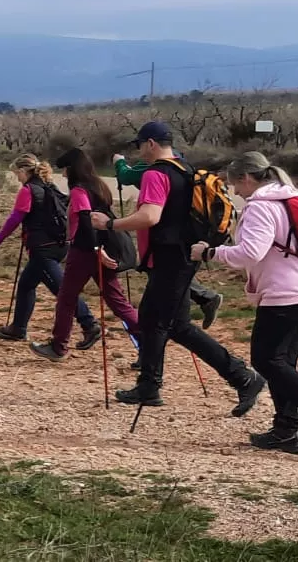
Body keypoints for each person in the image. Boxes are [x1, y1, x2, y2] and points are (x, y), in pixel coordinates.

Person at [91, 122, 265, 413]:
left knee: (169, 324)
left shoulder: (156, 174)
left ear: (150, 143)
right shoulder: (185, 168)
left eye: (140, 145)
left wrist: (109, 224)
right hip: (184, 256)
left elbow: (149, 216)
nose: (139, 151)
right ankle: (150, 385)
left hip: (170, 258)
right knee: (159, 321)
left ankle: (242, 377)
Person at [196, 153, 298, 453]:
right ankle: (285, 430)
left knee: (266, 361)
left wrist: (210, 253)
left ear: (246, 178)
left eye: (234, 185)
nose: (236, 192)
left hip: (285, 295)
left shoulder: (260, 208)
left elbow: (249, 254)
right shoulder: (287, 196)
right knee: (282, 363)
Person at [31, 148, 140, 361]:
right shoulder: (100, 186)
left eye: (64, 170)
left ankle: (58, 346)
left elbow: (86, 222)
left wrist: (95, 251)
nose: (63, 175)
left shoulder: (79, 190)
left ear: (72, 169)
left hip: (84, 251)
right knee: (117, 301)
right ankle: (149, 345)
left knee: (66, 298)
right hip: (102, 249)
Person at [0, 154, 101, 348]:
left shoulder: (28, 190)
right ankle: (18, 328)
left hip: (43, 250)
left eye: (17, 173)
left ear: (24, 171)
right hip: (58, 245)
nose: (16, 177)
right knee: (26, 284)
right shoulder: (49, 187)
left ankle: (89, 324)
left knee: (64, 292)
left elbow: (15, 218)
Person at [116, 151, 225, 330]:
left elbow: (127, 176)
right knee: (165, 317)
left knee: (166, 321)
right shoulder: (184, 165)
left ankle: (206, 298)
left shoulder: (155, 168)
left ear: (151, 144)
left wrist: (119, 163)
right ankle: (204, 299)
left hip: (162, 242)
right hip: (182, 240)